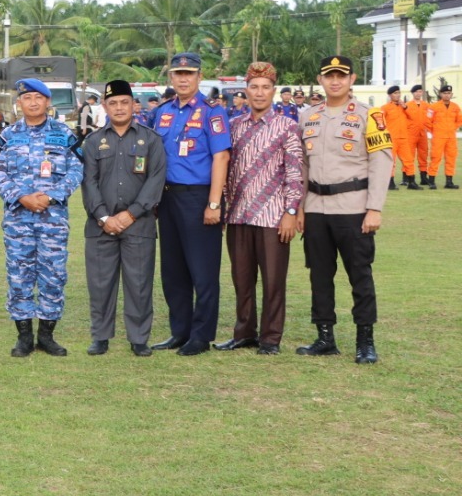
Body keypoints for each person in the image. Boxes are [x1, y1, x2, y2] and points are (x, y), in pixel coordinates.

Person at [298, 55, 393, 364]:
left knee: (360, 275)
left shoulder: (370, 115)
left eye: (341, 75)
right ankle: (325, 337)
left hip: (353, 207)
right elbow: (302, 166)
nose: (335, 81)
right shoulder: (308, 116)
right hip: (315, 207)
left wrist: (374, 208)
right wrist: (299, 208)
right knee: (319, 275)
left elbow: (382, 163)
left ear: (352, 79)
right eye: (329, 76)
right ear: (320, 80)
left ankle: (365, 340)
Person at [0, 78, 83, 357]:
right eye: (26, 98)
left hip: (52, 219)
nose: (32, 102)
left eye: (38, 97)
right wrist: (20, 196)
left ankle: (46, 335)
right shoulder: (8, 135)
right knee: (19, 275)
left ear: (47, 101)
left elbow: (77, 169)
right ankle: (23, 337)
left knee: (53, 275)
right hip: (18, 220)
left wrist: (51, 195)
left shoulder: (63, 134)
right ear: (19, 103)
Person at [217, 63, 304, 355]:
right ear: (246, 90)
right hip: (239, 215)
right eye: (254, 86)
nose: (259, 92)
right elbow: (227, 171)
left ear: (274, 91)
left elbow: (294, 173)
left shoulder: (287, 126)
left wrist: (291, 212)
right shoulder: (234, 125)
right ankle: (244, 332)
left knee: (273, 281)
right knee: (241, 279)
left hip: (272, 216)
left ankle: (270, 338)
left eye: (265, 87)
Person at [149, 52, 231, 356]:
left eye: (189, 73)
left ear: (199, 77)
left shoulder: (213, 113)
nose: (183, 78)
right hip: (167, 198)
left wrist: (214, 203)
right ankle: (179, 331)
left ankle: (201, 335)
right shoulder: (162, 112)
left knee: (203, 270)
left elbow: (221, 156)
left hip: (198, 197)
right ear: (170, 77)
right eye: (178, 73)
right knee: (173, 271)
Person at [81, 80, 165, 357]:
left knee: (139, 284)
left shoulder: (151, 139)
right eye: (113, 103)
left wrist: (130, 214)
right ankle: (100, 336)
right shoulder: (93, 141)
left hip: (138, 224)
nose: (119, 107)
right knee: (100, 284)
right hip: (100, 225)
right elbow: (88, 183)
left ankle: (139, 338)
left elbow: (155, 181)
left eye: (124, 102)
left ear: (133, 105)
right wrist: (105, 217)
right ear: (105, 106)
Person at [381, 86, 412, 190]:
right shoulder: (385, 108)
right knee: (391, 161)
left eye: (399, 93)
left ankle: (411, 182)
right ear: (390, 95)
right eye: (395, 93)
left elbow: (412, 117)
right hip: (391, 138)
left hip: (403, 137)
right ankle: (390, 183)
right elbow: (380, 122)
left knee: (408, 160)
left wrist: (405, 107)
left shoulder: (404, 107)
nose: (398, 95)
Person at [428, 84, 459, 189]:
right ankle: (431, 181)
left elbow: (459, 120)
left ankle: (449, 182)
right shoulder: (434, 107)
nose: (447, 95)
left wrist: (452, 128)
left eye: (449, 93)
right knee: (435, 158)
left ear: (451, 94)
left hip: (451, 137)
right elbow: (427, 121)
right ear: (441, 94)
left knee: (451, 158)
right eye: (445, 93)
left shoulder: (455, 107)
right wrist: (435, 131)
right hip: (438, 137)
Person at [405, 86, 433, 189]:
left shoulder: (427, 106)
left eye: (420, 91)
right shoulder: (407, 105)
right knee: (409, 156)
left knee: (423, 155)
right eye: (416, 91)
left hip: (422, 134)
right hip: (411, 133)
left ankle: (423, 177)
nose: (418, 93)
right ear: (413, 93)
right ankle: (407, 178)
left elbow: (430, 119)